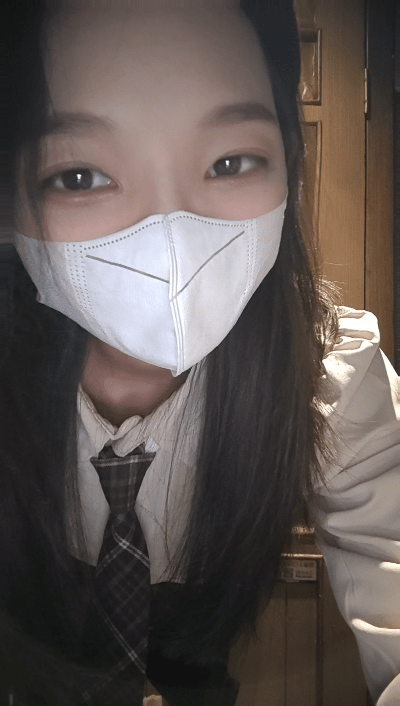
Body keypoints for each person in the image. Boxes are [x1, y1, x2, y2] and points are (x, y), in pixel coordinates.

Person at [2, 0, 400, 704]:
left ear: (288, 167)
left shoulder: (329, 374)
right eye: (80, 176)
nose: (170, 233)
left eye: (230, 162)